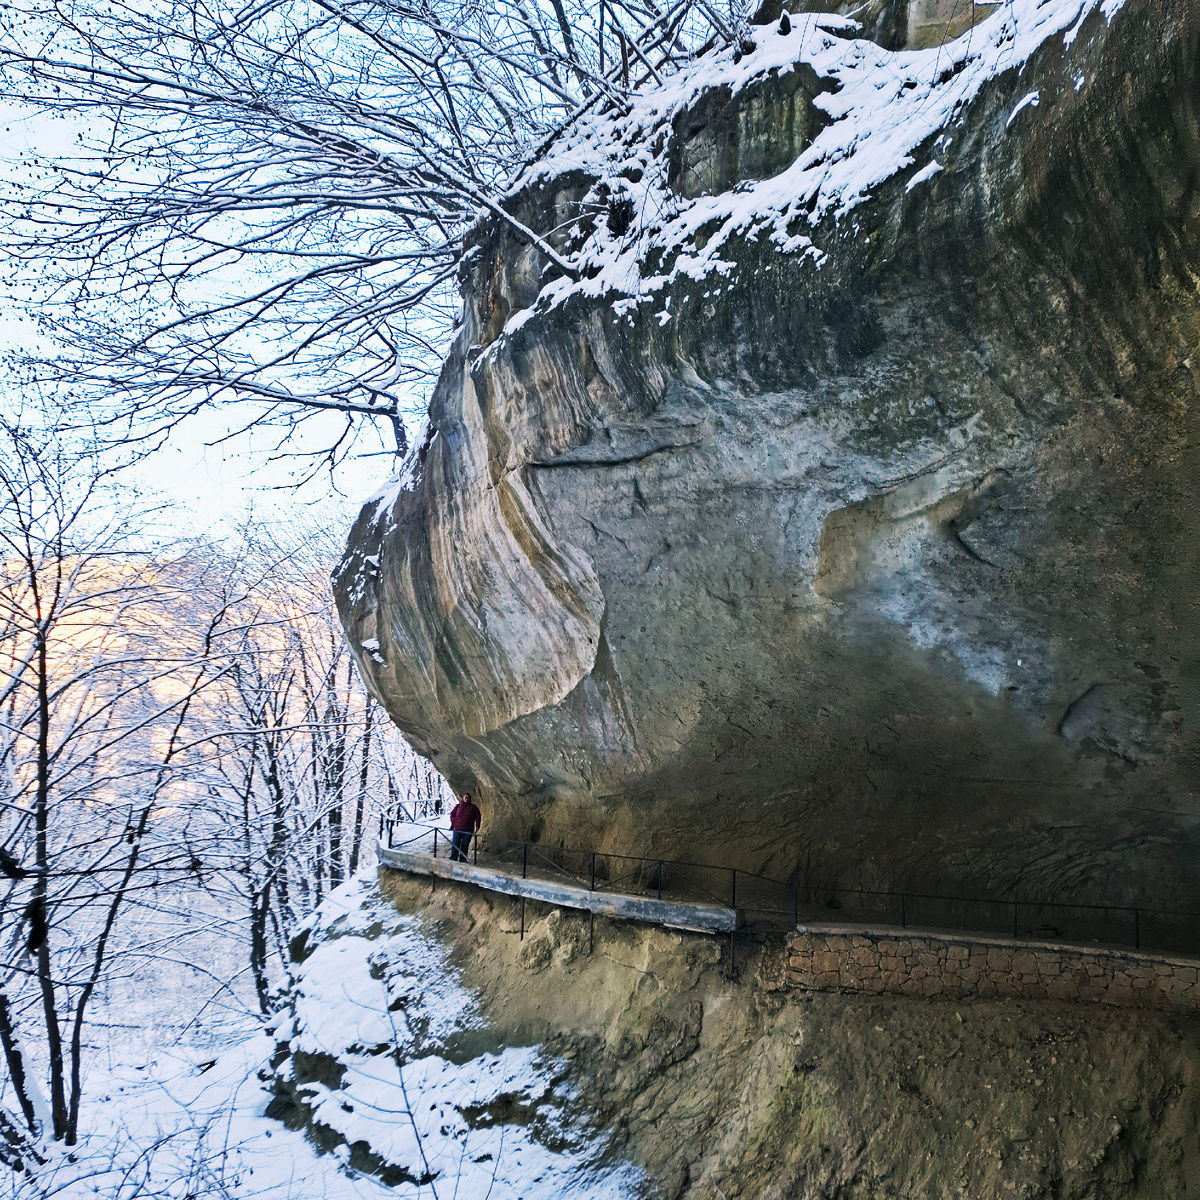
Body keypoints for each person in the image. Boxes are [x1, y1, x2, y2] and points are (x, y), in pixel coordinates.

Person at [449, 793, 481, 862]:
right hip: (457, 828)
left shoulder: (473, 807)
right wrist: (454, 822)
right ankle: (453, 858)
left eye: (468, 798)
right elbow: (452, 814)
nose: (466, 799)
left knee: (465, 844)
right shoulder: (458, 806)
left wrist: (477, 825)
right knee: (455, 843)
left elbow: (478, 816)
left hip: (468, 829)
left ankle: (462, 859)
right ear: (462, 798)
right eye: (465, 797)